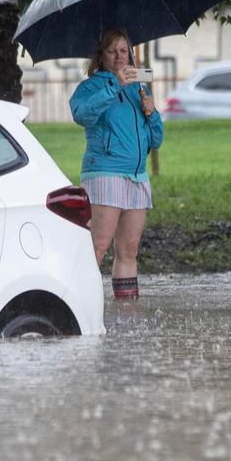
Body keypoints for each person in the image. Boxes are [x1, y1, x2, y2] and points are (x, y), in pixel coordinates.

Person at [70, 28, 163, 298]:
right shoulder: (92, 87)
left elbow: (155, 140)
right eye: (112, 51)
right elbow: (81, 114)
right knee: (98, 245)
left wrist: (152, 112)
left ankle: (127, 312)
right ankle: (75, 300)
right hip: (104, 173)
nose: (119, 57)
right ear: (101, 55)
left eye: (124, 51)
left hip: (137, 177)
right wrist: (114, 85)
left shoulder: (139, 89)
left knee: (129, 250)